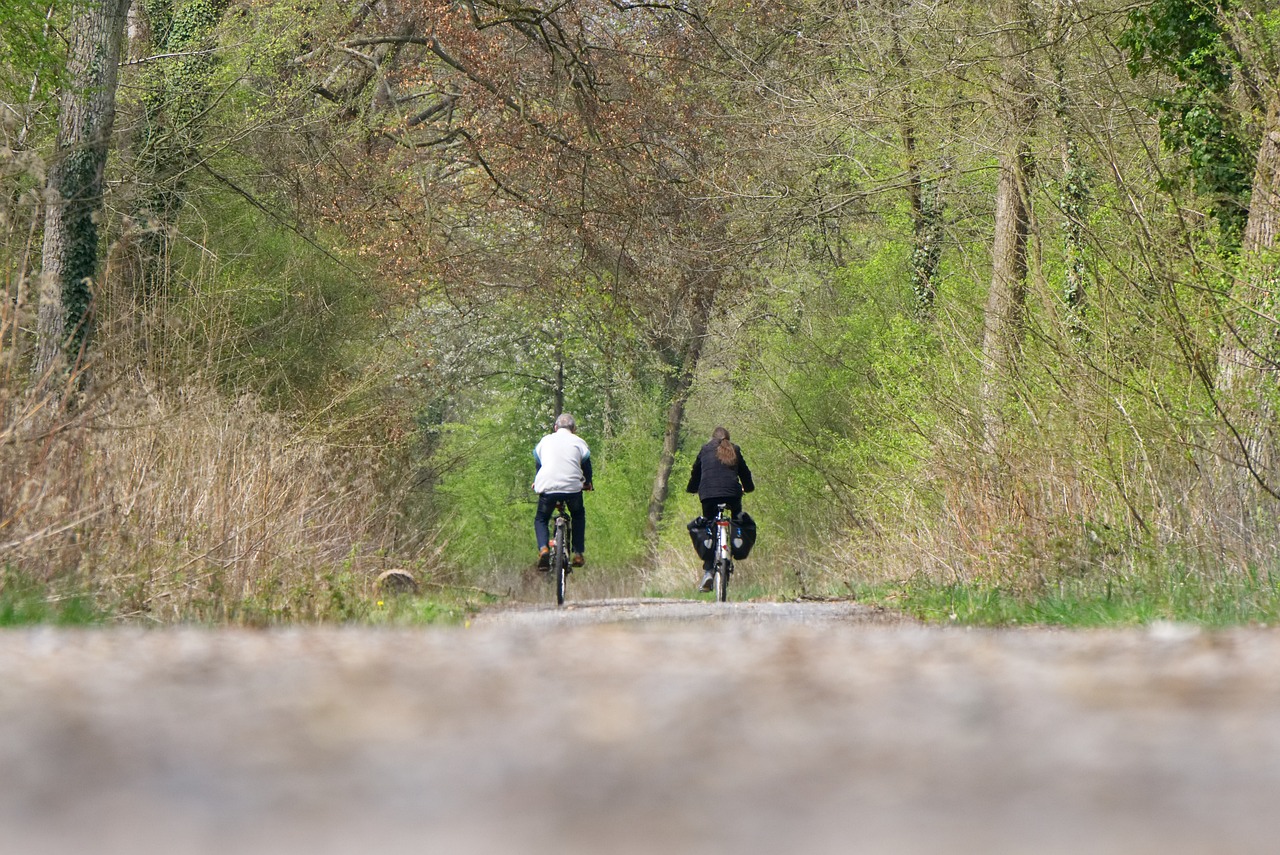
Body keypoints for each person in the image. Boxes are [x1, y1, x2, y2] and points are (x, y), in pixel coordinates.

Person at [686, 426, 755, 592]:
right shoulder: (735, 449)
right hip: (732, 495)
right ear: (728, 439)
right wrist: (749, 488)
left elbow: (696, 473)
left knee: (709, 524)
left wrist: (692, 488)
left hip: (708, 496)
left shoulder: (705, 450)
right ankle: (735, 543)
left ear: (712, 438)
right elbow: (745, 474)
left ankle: (709, 569)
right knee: (738, 519)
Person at [532, 412, 593, 569]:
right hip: (572, 489)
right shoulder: (579, 441)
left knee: (541, 518)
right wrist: (588, 483)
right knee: (578, 515)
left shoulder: (545, 441)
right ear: (574, 429)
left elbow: (540, 464)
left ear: (555, 427)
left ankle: (543, 549)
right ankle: (578, 553)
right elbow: (586, 465)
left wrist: (537, 481)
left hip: (548, 487)